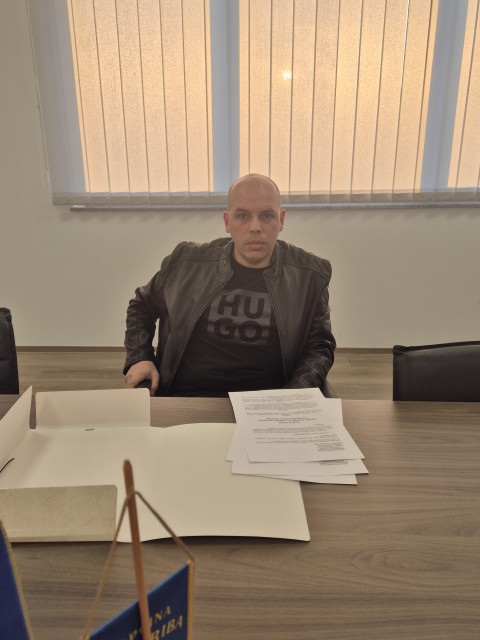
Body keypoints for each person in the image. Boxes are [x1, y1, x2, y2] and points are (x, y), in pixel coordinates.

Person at [124, 173, 335, 396]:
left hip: (268, 403)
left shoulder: (310, 276)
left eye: (266, 216)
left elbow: (319, 346)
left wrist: (293, 394)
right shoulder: (186, 263)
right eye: (243, 216)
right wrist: (140, 358)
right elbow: (141, 306)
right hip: (188, 398)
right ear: (227, 222)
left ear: (281, 220)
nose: (255, 227)